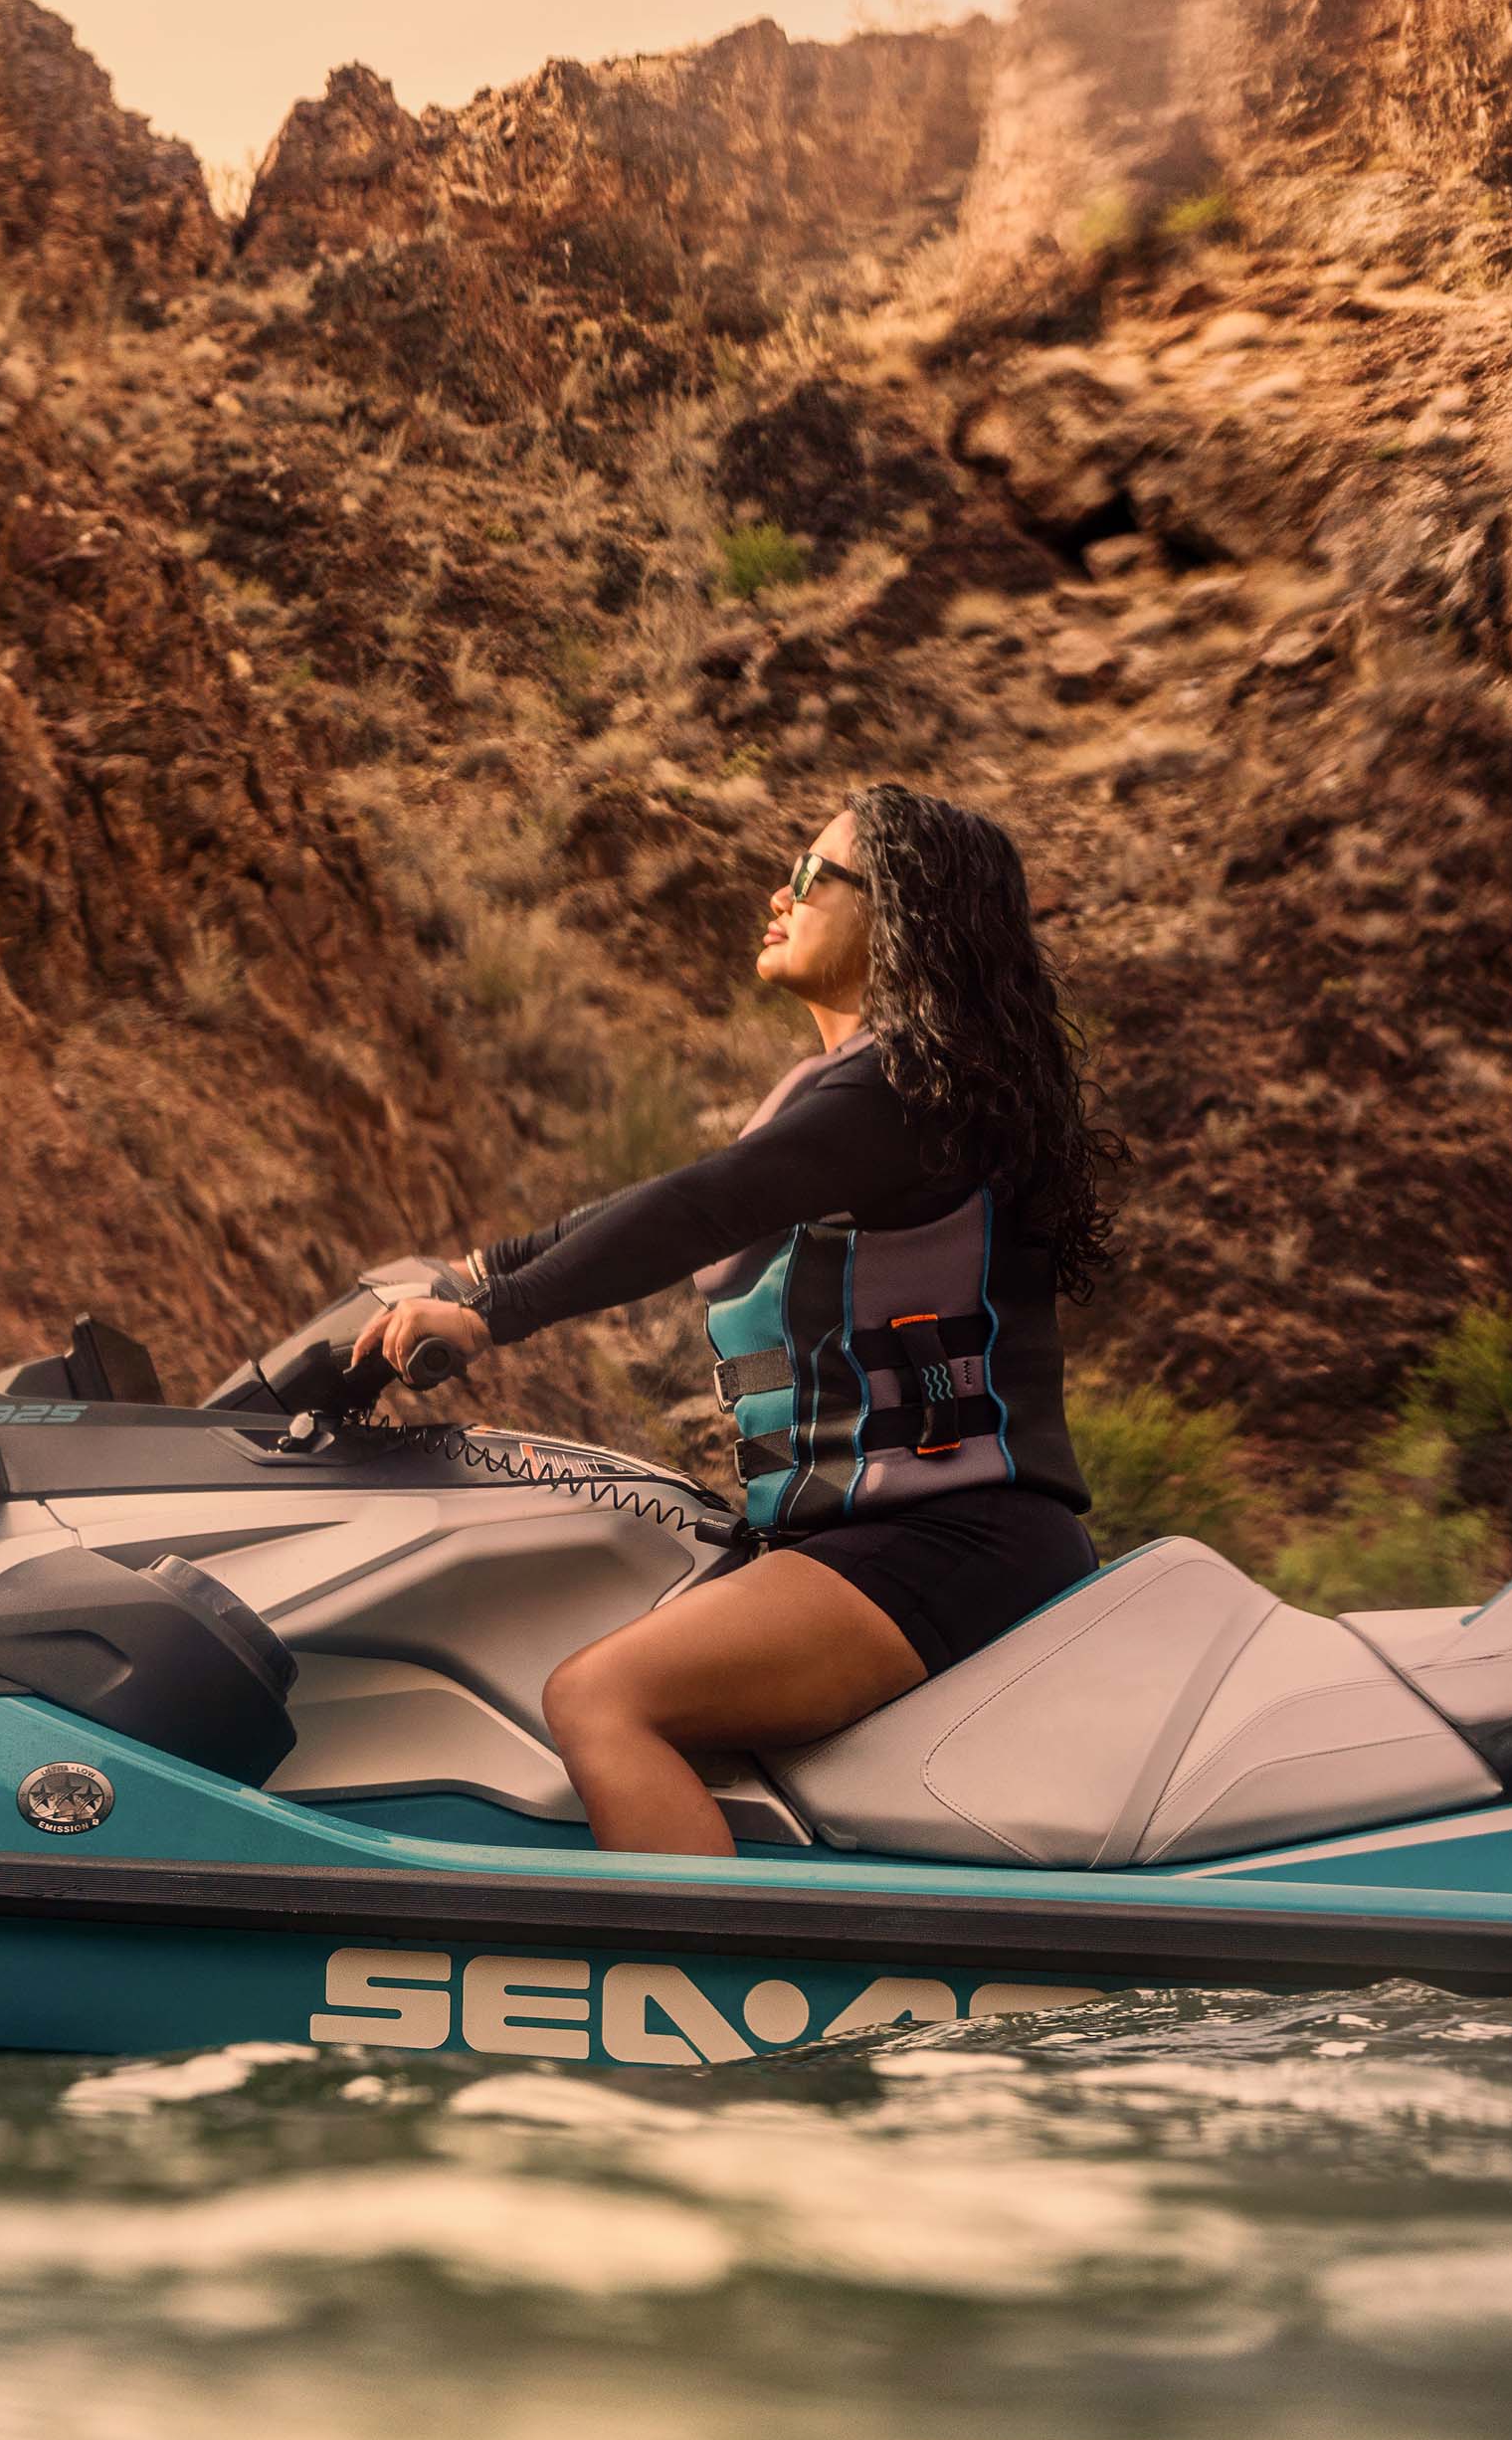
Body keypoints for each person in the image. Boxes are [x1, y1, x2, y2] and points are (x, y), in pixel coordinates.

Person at [352, 785, 1113, 1855]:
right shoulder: (861, 1095)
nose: (778, 894)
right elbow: (656, 1202)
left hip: (947, 1539)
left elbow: (697, 1208)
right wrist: (476, 1270)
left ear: (898, 912)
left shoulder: (905, 1095)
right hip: (886, 1535)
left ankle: (684, 1992)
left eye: (811, 876)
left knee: (603, 1697)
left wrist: (497, 1317)